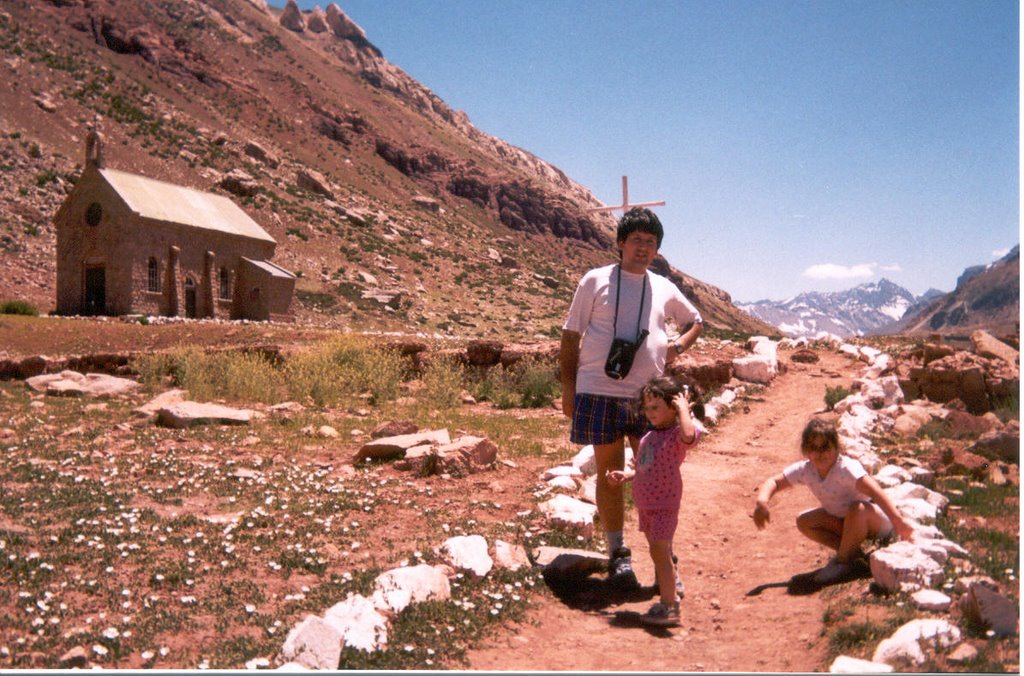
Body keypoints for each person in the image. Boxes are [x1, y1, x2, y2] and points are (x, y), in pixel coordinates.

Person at [560, 207, 704, 589]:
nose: (643, 248)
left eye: (650, 243)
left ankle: (663, 558)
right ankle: (617, 555)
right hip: (599, 390)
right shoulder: (595, 280)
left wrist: (678, 347)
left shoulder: (664, 287)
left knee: (654, 476)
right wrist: (568, 389)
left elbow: (696, 321)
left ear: (657, 250)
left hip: (649, 400)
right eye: (637, 240)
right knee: (611, 478)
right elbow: (570, 336)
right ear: (621, 242)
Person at [752, 418, 916, 584]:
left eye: (825, 447)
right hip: (845, 523)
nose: (820, 453)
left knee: (857, 509)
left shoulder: (846, 469)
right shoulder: (806, 470)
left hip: (872, 520)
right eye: (813, 448)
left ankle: (843, 562)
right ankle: (854, 557)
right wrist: (762, 502)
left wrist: (898, 521)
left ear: (837, 447)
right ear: (806, 450)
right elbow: (775, 481)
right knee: (804, 521)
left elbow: (876, 491)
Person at [607, 375, 703, 627]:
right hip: (647, 507)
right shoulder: (649, 437)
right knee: (656, 552)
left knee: (661, 553)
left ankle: (670, 606)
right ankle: (669, 598)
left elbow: (689, 436)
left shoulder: (675, 436)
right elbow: (645, 468)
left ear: (673, 408)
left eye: (656, 407)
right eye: (647, 407)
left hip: (664, 506)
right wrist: (627, 475)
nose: (649, 413)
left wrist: (684, 410)